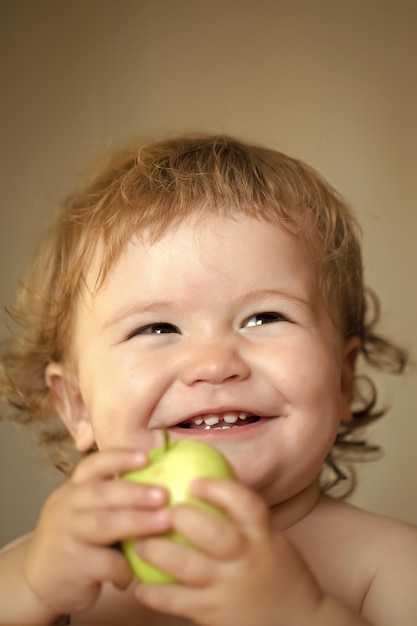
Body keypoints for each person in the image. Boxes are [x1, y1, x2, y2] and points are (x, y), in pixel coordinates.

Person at [0, 134, 416, 626]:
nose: (215, 364)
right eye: (157, 327)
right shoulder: (56, 567)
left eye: (264, 317)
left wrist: (297, 614)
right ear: (77, 405)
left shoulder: (387, 565)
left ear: (343, 379)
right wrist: (33, 587)